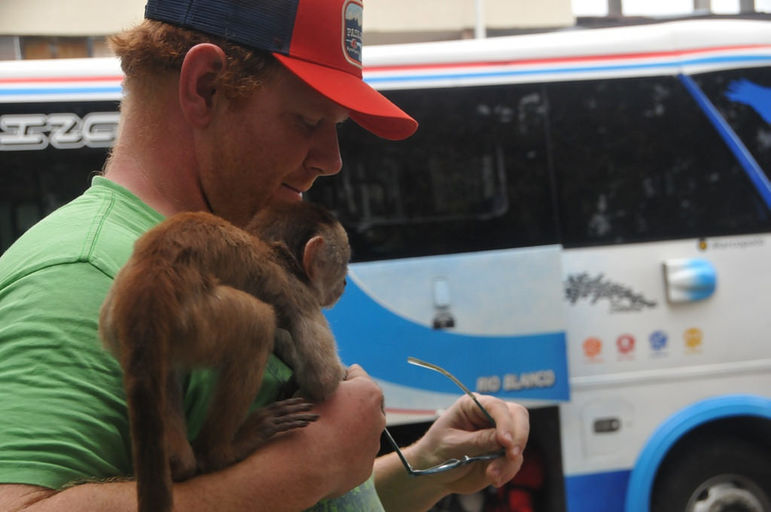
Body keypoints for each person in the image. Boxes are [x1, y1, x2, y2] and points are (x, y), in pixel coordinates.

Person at [0, 0, 529, 510]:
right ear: (205, 87)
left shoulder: (214, 249)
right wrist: (312, 466)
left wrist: (428, 462)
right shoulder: (80, 275)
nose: (332, 160)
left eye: (336, 128)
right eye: (307, 121)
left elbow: (278, 502)